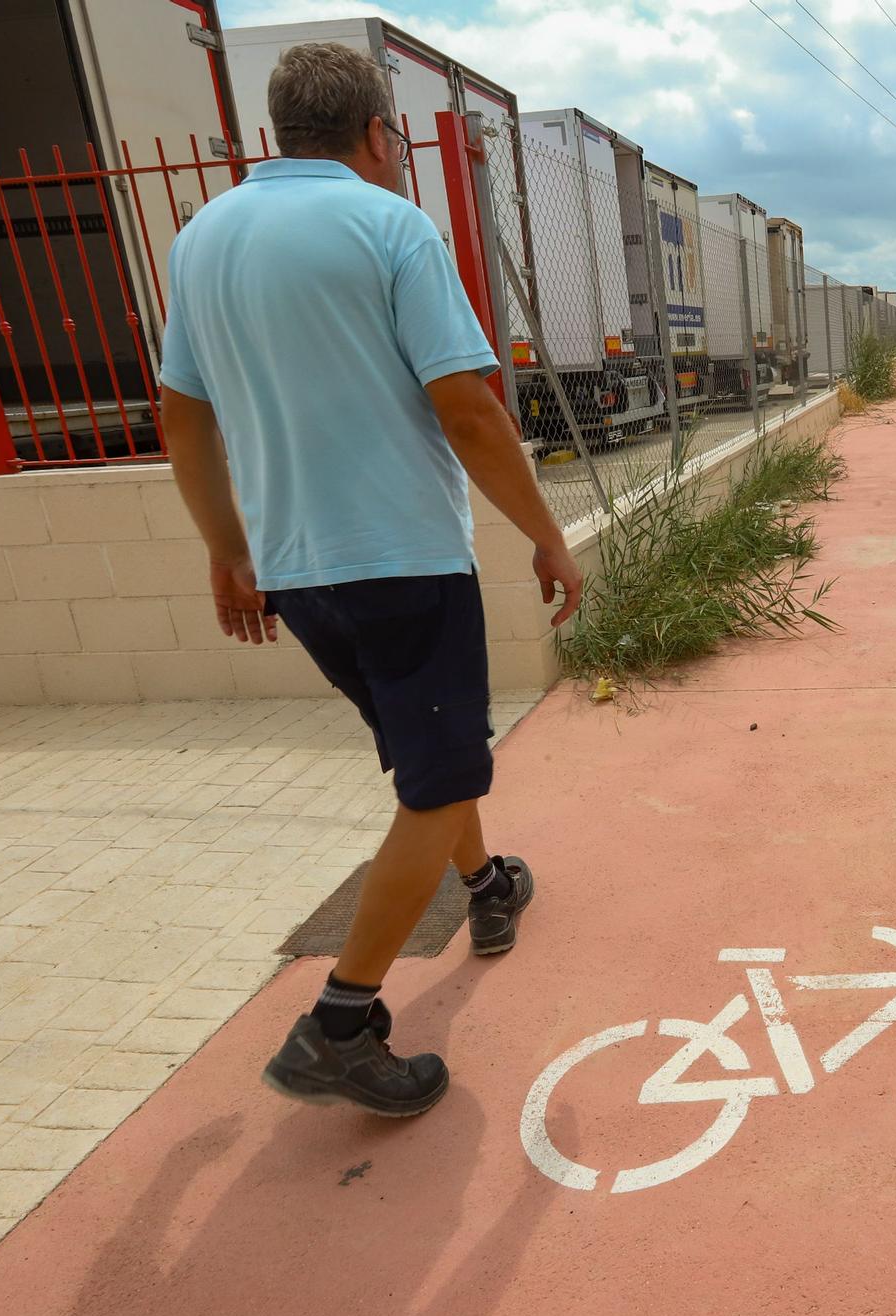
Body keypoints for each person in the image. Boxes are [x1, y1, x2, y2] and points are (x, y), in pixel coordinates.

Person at [159, 42, 581, 1117]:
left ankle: (485, 887)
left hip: (301, 572)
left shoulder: (200, 237)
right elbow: (468, 407)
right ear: (376, 134)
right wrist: (545, 533)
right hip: (400, 554)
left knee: (425, 750)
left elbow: (185, 413)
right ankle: (341, 1023)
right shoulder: (390, 225)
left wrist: (226, 547)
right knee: (441, 777)